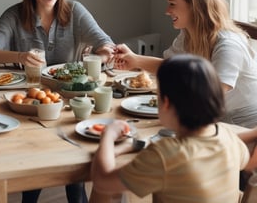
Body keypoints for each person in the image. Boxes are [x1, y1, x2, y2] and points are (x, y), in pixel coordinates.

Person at [0, 0, 115, 203]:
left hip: (72, 100)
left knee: (75, 171)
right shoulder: (15, 15)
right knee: (36, 161)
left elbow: (105, 43)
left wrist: (100, 56)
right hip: (32, 102)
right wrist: (21, 56)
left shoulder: (75, 11)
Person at [91, 54, 250, 202]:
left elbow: (102, 182)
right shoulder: (228, 137)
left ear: (165, 103)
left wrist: (108, 135)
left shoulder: (165, 155)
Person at [113, 0, 257, 128]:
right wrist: (135, 60)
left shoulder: (228, 45)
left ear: (195, 5)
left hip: (241, 125)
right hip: (213, 118)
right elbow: (172, 67)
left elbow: (211, 97)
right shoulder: (189, 33)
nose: (167, 11)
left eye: (172, 3)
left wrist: (167, 106)